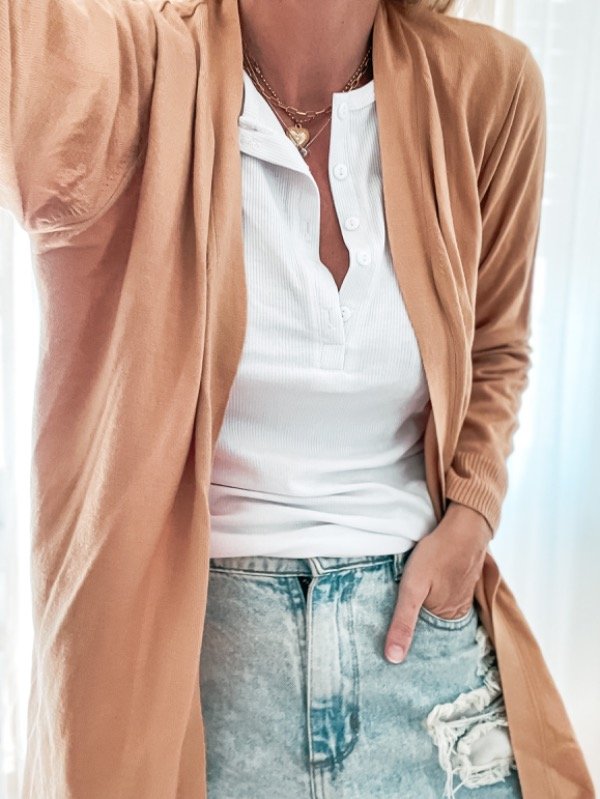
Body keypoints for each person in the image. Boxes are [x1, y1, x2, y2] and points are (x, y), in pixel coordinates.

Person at [1, 0, 594, 796]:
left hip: (426, 664)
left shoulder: (486, 86)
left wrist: (472, 515)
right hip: (195, 681)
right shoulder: (126, 73)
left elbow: (496, 342)